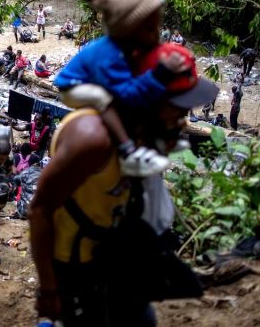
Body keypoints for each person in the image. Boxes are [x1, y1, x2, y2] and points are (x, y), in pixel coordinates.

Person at [29, 43, 218, 326]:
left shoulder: (140, 134)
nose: (183, 121)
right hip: (76, 269)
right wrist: (48, 290)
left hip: (113, 255)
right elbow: (40, 209)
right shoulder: (92, 139)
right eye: (178, 109)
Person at [53, 0, 187, 177]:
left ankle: (161, 133)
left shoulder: (128, 49)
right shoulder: (109, 55)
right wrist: (160, 73)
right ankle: (128, 152)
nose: (156, 36)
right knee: (105, 98)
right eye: (151, 30)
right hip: (74, 86)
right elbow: (126, 94)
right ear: (128, 30)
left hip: (102, 80)